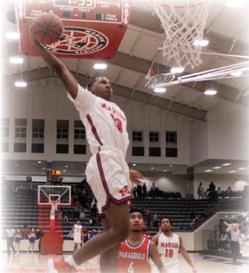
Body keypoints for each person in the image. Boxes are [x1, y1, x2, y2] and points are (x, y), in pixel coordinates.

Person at [30, 30, 145, 273]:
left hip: (116, 165)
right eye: (102, 82)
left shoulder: (119, 111)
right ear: (90, 89)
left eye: (110, 82)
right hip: (105, 163)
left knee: (113, 241)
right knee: (122, 231)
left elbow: (117, 145)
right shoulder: (88, 101)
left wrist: (126, 169)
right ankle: (66, 265)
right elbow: (61, 70)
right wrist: (37, 44)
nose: (109, 84)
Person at [117, 208, 167, 273]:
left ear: (143, 223)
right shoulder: (118, 243)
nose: (136, 220)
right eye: (133, 217)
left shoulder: (150, 245)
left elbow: (161, 267)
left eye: (139, 217)